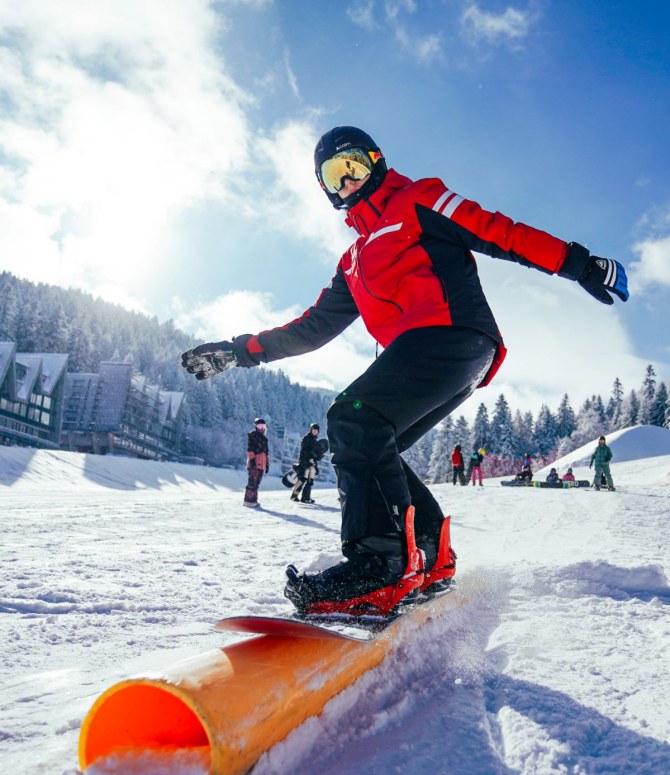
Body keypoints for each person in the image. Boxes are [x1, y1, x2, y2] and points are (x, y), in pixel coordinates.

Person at [181, 125, 628, 615]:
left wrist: (580, 264)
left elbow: (499, 232)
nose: (347, 182)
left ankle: (381, 564)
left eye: (352, 166)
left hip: (455, 336)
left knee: (352, 418)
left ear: (375, 160)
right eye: (334, 177)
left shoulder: (419, 200)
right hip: (427, 354)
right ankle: (431, 557)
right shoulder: (352, 261)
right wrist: (240, 350)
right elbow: (312, 328)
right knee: (374, 440)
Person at [291, 423, 323, 504]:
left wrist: (319, 455)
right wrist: (310, 456)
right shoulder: (306, 439)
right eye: (314, 430)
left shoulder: (315, 441)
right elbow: (304, 451)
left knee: (310, 480)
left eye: (316, 431)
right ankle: (294, 495)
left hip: (312, 464)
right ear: (311, 430)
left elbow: (317, 455)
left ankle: (306, 497)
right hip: (304, 462)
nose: (315, 432)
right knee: (302, 479)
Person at [244, 417, 269, 508]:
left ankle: (254, 500)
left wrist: (267, 463)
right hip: (254, 462)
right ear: (255, 426)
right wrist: (252, 460)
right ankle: (248, 500)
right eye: (259, 426)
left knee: (257, 483)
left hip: (262, 463)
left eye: (263, 426)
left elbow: (266, 452)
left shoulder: (265, 439)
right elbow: (250, 449)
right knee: (252, 482)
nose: (261, 428)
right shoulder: (252, 435)